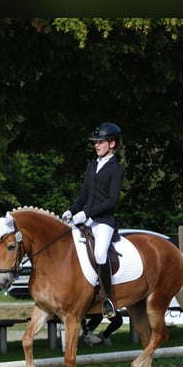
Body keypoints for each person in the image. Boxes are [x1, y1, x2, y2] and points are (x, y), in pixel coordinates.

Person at [62, 122, 124, 318]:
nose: (96, 145)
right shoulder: (92, 166)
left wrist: (87, 214)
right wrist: (71, 210)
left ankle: (108, 299)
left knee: (99, 254)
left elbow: (112, 200)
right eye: (95, 143)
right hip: (86, 219)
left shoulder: (117, 168)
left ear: (112, 144)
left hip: (104, 221)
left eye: (100, 142)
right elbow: (83, 196)